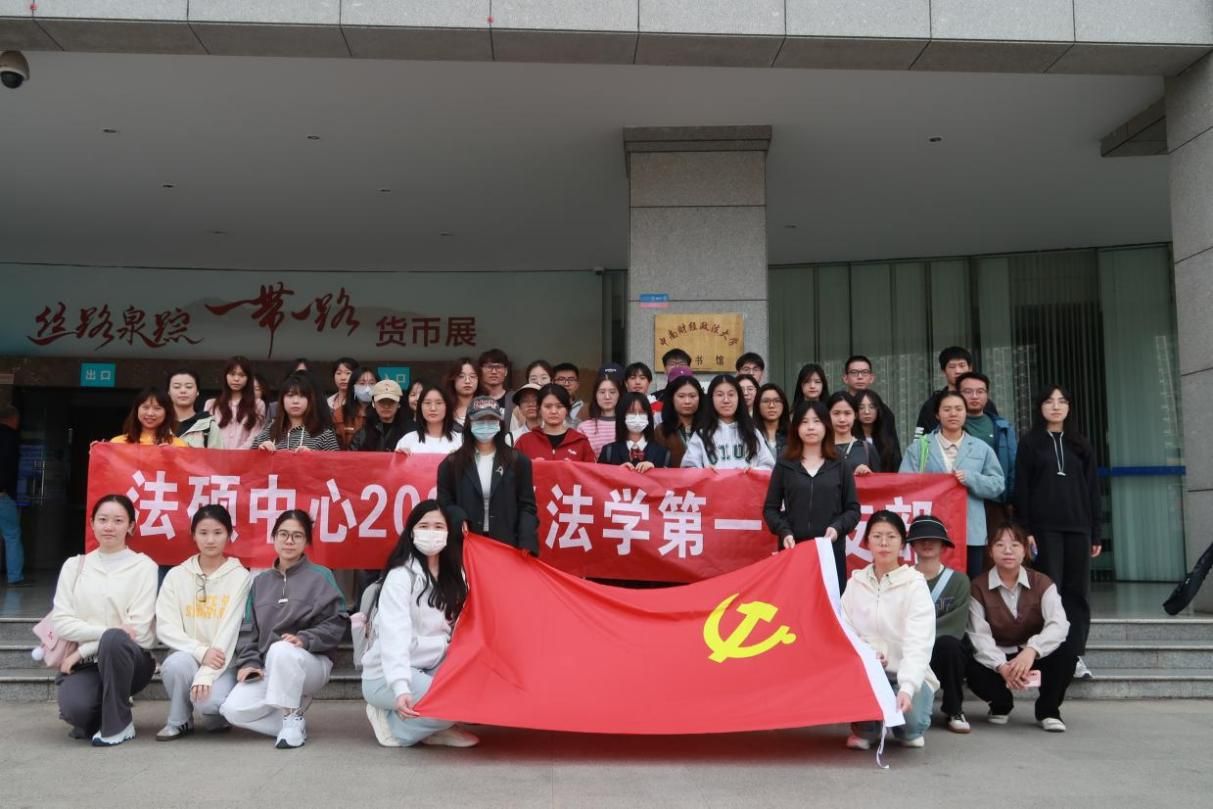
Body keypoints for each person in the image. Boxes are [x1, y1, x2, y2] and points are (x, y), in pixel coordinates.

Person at [221, 509, 348, 749]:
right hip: (269, 666)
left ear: (306, 542)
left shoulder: (321, 576)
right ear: (274, 537)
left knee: (281, 649)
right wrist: (249, 663)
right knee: (232, 710)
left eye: (297, 536)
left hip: (311, 662)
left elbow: (337, 622)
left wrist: (305, 638)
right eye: (283, 534)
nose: (289, 541)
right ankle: (293, 720)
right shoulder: (260, 582)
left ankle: (290, 718)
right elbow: (248, 630)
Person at [361, 500, 478, 748]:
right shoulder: (400, 576)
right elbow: (395, 636)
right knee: (454, 702)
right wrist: (401, 687)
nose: (431, 532)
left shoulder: (455, 577)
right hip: (388, 674)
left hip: (432, 666)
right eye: (424, 526)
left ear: (448, 533)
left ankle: (432, 726)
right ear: (411, 532)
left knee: (476, 695)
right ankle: (393, 726)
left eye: (438, 526)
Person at [51, 494, 158, 746]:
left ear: (131, 526)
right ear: (92, 523)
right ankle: (104, 710)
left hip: (130, 661)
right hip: (88, 665)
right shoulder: (74, 566)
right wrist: (108, 634)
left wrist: (83, 649)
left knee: (115, 640)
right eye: (103, 520)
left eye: (118, 520)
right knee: (77, 712)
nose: (109, 526)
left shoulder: (144, 567)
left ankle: (119, 725)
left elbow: (139, 631)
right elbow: (62, 622)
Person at [1013, 385, 1101, 680]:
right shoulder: (1030, 443)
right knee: (1048, 593)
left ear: (1069, 407)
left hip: (1078, 528)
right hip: (1044, 529)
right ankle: (1046, 653)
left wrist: (1096, 532)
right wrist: (1025, 529)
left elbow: (1092, 489)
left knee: (1077, 594)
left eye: (1062, 401)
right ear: (1040, 406)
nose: (1056, 406)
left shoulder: (1081, 444)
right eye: (1049, 401)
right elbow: (1022, 488)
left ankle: (1074, 656)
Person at [840, 510, 937, 751]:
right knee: (865, 732)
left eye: (891, 537)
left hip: (906, 671)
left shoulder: (915, 584)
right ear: (867, 542)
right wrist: (867, 654)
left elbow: (919, 641)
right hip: (869, 672)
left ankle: (905, 720)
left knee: (910, 731)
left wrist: (907, 687)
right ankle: (868, 728)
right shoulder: (855, 583)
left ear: (902, 543)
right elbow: (845, 630)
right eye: (877, 536)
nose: (884, 543)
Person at [154, 504, 252, 740]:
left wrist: (206, 673)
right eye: (203, 533)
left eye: (218, 533)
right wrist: (200, 651)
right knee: (175, 665)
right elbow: (165, 626)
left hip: (223, 660)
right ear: (193, 535)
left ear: (229, 535)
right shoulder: (177, 575)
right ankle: (179, 720)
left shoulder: (240, 576)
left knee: (209, 704)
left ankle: (214, 716)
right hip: (188, 655)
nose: (210, 540)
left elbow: (230, 628)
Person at [966, 523, 1076, 732]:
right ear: (990, 551)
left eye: (1015, 545)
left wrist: (1032, 650)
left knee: (1067, 652)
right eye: (1000, 545)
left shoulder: (1042, 582)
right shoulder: (977, 587)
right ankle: (1000, 704)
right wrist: (1002, 666)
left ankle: (1048, 711)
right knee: (967, 660)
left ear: (1025, 550)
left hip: (1032, 653)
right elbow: (979, 636)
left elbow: (1058, 623)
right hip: (998, 655)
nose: (1008, 551)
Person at [901, 391, 1005, 578]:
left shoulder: (981, 448)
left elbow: (997, 484)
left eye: (958, 409)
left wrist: (972, 478)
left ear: (966, 413)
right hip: (930, 529)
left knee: (969, 583)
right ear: (937, 414)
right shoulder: (920, 447)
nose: (953, 414)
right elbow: (904, 485)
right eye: (947, 409)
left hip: (970, 530)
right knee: (926, 582)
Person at [763, 400, 861, 590]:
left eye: (816, 421)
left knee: (828, 604)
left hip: (830, 553)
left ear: (826, 425)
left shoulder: (839, 463)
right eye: (804, 422)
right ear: (796, 427)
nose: (810, 427)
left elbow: (853, 509)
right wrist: (784, 531)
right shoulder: (785, 463)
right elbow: (770, 509)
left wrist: (837, 528)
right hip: (793, 551)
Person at [436, 396, 538, 555]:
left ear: (500, 423)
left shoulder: (518, 461)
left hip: (507, 543)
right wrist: (458, 518)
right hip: (467, 543)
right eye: (479, 420)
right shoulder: (451, 463)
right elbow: (444, 502)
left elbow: (527, 506)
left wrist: (526, 540)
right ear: (469, 423)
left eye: (491, 420)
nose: (485, 425)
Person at [907, 515, 972, 734]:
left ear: (943, 545)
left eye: (933, 539)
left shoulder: (959, 581)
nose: (927, 543)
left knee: (951, 646)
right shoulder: (902, 578)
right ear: (912, 544)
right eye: (921, 539)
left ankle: (954, 710)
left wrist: (923, 638)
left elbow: (956, 623)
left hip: (939, 649)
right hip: (908, 648)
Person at [958, 371, 1018, 518]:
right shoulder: (949, 427)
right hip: (959, 499)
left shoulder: (1002, 427)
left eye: (980, 391)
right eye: (968, 391)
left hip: (995, 500)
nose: (974, 396)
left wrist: (1011, 500)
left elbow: (1013, 466)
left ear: (987, 395)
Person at [682, 375, 774, 470]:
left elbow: (769, 467)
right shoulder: (702, 434)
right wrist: (704, 472)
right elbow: (688, 468)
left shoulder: (752, 432)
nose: (726, 400)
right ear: (711, 398)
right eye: (720, 395)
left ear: (739, 398)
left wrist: (753, 471)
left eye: (731, 395)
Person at [915, 346, 998, 435]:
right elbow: (920, 438)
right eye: (952, 367)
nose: (958, 371)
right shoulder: (933, 404)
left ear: (970, 368)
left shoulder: (982, 402)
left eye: (962, 365)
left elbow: (998, 433)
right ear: (943, 371)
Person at [252, 374, 339, 452]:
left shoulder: (324, 434)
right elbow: (250, 457)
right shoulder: (271, 429)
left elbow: (336, 463)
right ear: (282, 400)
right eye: (290, 395)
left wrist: (313, 457)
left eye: (302, 396)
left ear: (310, 400)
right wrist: (261, 450)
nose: (295, 401)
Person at [514, 384, 596, 463]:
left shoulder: (581, 442)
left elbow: (591, 471)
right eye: (548, 406)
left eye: (559, 406)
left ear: (567, 409)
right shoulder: (524, 442)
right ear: (539, 409)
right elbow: (514, 470)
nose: (553, 411)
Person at [205, 356, 267, 450]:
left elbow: (255, 435)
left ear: (248, 378)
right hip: (216, 456)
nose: (236, 379)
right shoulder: (211, 404)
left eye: (242, 375)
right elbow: (207, 436)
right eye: (232, 374)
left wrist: (235, 455)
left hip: (245, 457)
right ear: (225, 376)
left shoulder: (258, 404)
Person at [597, 392, 671, 470]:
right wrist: (617, 472)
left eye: (642, 412)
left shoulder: (664, 454)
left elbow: (669, 477)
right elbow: (598, 476)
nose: (637, 417)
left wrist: (655, 471)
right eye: (631, 412)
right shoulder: (609, 451)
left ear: (649, 416)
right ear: (622, 415)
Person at [842, 355, 899, 451]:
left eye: (865, 372)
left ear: (872, 378)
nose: (860, 377)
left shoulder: (883, 411)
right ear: (845, 378)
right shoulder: (838, 408)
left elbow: (894, 449)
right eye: (854, 372)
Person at [397, 384, 463, 455]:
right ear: (420, 407)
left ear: (447, 407)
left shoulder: (460, 440)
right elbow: (395, 462)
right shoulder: (407, 440)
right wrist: (400, 457)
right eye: (427, 403)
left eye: (439, 403)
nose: (433, 408)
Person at [350, 380, 415, 452]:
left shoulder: (412, 432)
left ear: (399, 404)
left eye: (391, 402)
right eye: (381, 401)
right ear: (373, 403)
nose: (386, 406)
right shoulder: (362, 434)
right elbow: (351, 457)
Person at [654, 370, 701, 468]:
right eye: (681, 396)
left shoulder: (709, 427)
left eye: (692, 396)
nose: (687, 401)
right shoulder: (661, 430)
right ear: (672, 399)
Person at [110, 387, 188, 446]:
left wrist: (172, 457)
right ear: (137, 410)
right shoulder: (117, 443)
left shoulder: (178, 445)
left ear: (167, 413)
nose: (150, 413)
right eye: (145, 407)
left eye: (157, 408)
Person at [167, 368, 224, 448]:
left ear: (197, 392)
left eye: (189, 387)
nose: (183, 391)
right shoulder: (158, 423)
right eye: (177, 387)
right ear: (169, 392)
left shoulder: (209, 426)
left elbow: (218, 455)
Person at [827, 391, 880, 475]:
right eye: (836, 413)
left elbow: (878, 480)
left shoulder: (867, 448)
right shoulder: (820, 448)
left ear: (855, 415)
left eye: (847, 413)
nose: (842, 419)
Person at [0, 405, 25, 586]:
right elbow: (6, 466)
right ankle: (14, 577)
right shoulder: (9, 438)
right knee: (12, 535)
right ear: (14, 419)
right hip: (2, 495)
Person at [575, 373, 623, 457]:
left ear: (619, 395)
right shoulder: (584, 428)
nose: (607, 397)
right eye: (602, 392)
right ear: (595, 395)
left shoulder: (628, 425)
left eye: (612, 392)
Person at [334, 366, 378, 450]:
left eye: (372, 383)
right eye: (362, 383)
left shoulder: (383, 412)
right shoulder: (340, 414)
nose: (367, 388)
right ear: (353, 387)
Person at [856, 389, 901, 472]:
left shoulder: (886, 437)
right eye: (861, 408)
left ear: (878, 409)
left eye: (872, 407)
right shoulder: (851, 439)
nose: (867, 412)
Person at [477, 348, 514, 424]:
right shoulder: (474, 398)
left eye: (498, 367)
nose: (494, 372)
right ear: (480, 370)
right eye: (489, 367)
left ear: (506, 371)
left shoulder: (515, 399)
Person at [754, 383, 789, 459]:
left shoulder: (793, 435)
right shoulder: (750, 434)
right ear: (757, 405)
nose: (771, 406)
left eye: (777, 401)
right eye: (766, 401)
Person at [446, 358, 479, 429]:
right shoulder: (445, 408)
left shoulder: (486, 407)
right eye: (461, 376)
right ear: (453, 379)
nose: (467, 381)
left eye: (472, 376)